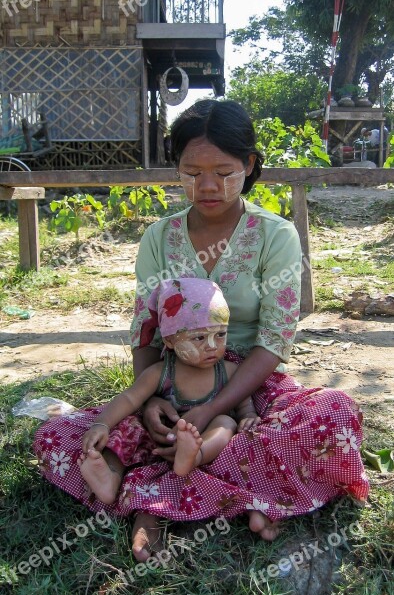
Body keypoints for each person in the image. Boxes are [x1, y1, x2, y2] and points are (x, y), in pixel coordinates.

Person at [34, 99, 369, 564]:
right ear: (178, 169)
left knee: (334, 415)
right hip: (173, 385)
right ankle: (250, 493)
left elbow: (274, 338)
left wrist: (214, 407)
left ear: (250, 165)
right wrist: (152, 401)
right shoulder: (158, 238)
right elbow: (146, 328)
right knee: (60, 436)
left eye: (224, 171)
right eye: (192, 172)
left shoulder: (276, 236)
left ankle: (154, 495)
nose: (207, 186)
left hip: (248, 385)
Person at [78, 277, 261, 503]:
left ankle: (194, 457)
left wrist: (248, 416)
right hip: (159, 441)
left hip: (204, 442)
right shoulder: (160, 373)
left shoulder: (230, 371)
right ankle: (111, 479)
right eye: (200, 337)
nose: (212, 346)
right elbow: (129, 398)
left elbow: (243, 403)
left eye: (220, 334)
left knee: (226, 423)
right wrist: (102, 424)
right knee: (126, 426)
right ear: (171, 340)